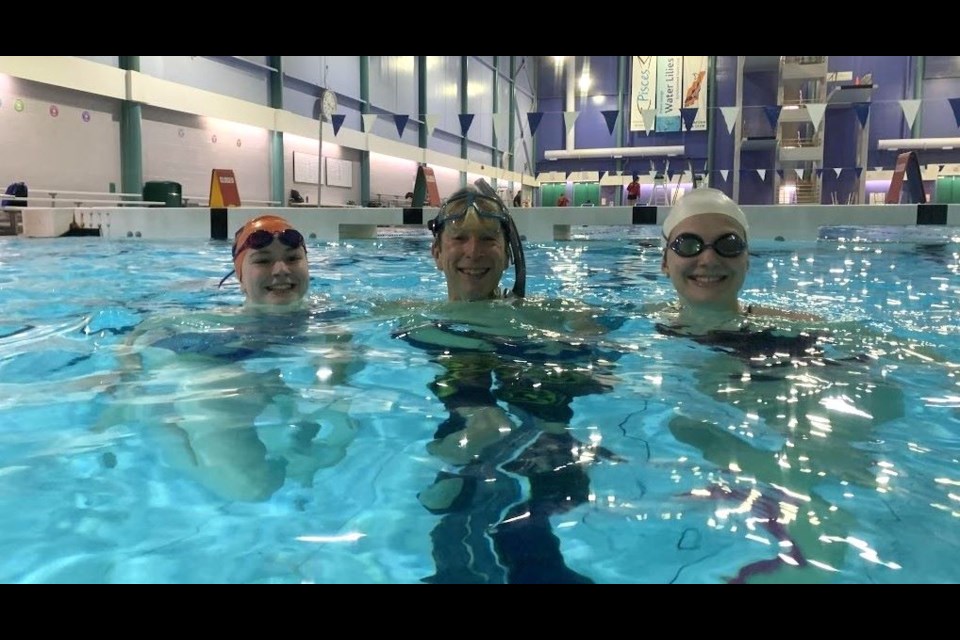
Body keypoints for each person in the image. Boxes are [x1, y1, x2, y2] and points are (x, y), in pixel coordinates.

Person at [394, 181, 623, 583]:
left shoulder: (548, 314)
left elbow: (604, 351)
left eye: (487, 239)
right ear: (436, 252)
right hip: (469, 406)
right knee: (474, 443)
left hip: (539, 416)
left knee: (544, 455)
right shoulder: (413, 316)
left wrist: (591, 347)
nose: (473, 252)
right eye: (459, 238)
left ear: (507, 253)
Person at [98, 214, 360, 502]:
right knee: (250, 486)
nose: (281, 269)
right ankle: (151, 418)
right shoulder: (220, 322)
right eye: (262, 261)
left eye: (293, 258)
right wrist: (128, 368)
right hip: (209, 371)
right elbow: (146, 330)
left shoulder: (333, 320)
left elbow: (337, 388)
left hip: (263, 380)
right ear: (240, 277)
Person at [651, 187, 818, 333]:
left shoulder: (801, 329)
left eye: (729, 245)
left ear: (747, 260)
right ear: (665, 262)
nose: (709, 259)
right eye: (688, 245)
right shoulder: (633, 321)